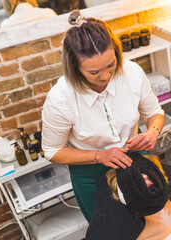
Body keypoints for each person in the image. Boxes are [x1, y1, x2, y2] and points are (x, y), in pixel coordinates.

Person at [41, 10, 164, 223]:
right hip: (91, 174)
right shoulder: (60, 99)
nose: (106, 76)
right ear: (75, 69)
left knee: (152, 222)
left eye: (110, 65)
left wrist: (153, 132)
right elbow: (52, 151)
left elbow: (154, 113)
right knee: (111, 229)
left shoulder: (132, 73)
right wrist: (100, 155)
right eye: (94, 72)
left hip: (136, 162)